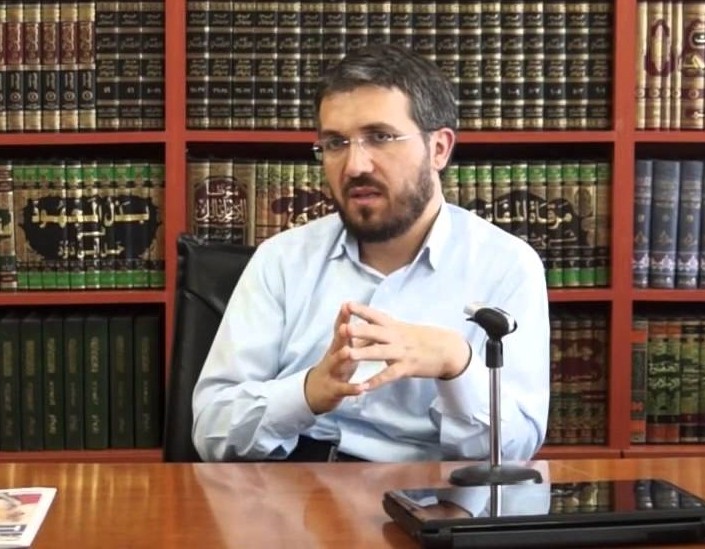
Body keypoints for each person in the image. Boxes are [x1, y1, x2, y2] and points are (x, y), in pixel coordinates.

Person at [192, 43, 550, 462]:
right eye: (335, 143)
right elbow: (211, 430)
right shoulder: (282, 260)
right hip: (294, 485)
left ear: (439, 149)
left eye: (380, 137)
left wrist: (457, 366)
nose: (355, 165)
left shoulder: (506, 266)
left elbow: (515, 448)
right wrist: (307, 393)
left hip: (430, 490)